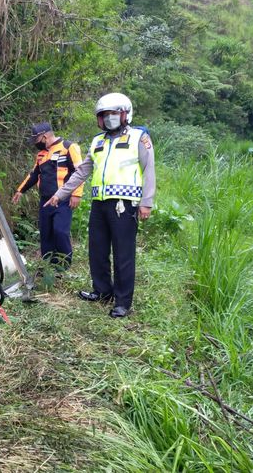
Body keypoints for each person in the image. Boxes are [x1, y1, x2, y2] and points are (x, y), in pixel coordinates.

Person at [44, 93, 155, 318]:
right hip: (99, 204)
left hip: (124, 205)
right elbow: (82, 172)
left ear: (124, 114)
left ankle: (122, 302)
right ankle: (102, 291)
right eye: (104, 115)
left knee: (123, 253)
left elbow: (149, 170)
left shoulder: (138, 137)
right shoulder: (98, 141)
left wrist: (147, 202)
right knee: (97, 249)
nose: (109, 118)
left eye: (113, 114)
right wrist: (60, 194)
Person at [12, 122, 84, 270]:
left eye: (36, 141)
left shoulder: (68, 147)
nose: (35, 144)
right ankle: (48, 266)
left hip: (63, 199)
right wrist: (21, 190)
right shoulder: (41, 154)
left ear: (44, 136)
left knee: (60, 231)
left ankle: (63, 265)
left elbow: (80, 171)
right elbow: (34, 174)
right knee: (46, 233)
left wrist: (76, 194)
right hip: (45, 201)